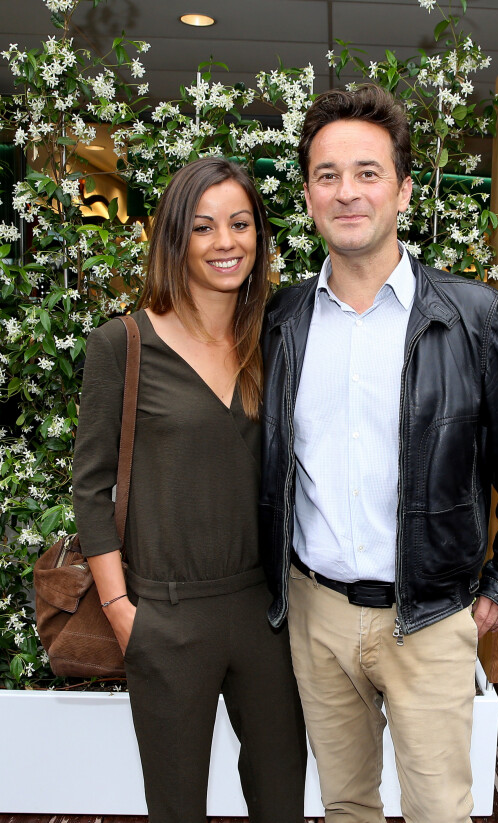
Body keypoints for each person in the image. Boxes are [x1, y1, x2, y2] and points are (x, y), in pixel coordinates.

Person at [259, 85, 498, 823]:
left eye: (367, 172)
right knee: (346, 804)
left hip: (428, 618)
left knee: (438, 811)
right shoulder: (282, 319)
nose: (347, 191)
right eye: (328, 175)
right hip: (315, 613)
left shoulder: (472, 315)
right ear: (308, 195)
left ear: (403, 189)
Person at [73, 157, 306, 823]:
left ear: (260, 237)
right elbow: (91, 486)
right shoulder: (123, 343)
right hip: (166, 615)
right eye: (203, 226)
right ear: (174, 237)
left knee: (282, 800)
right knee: (176, 808)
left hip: (267, 612)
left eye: (239, 224)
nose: (225, 241)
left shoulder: (274, 337)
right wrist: (121, 608)